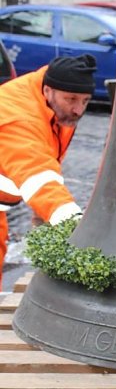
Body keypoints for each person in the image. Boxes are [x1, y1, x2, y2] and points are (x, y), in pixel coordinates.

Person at [0, 54, 97, 289]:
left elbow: (48, 157)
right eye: (71, 99)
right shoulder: (18, 118)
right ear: (47, 90)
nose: (78, 109)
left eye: (85, 101)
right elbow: (38, 174)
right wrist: (74, 225)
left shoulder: (55, 100)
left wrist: (42, 211)